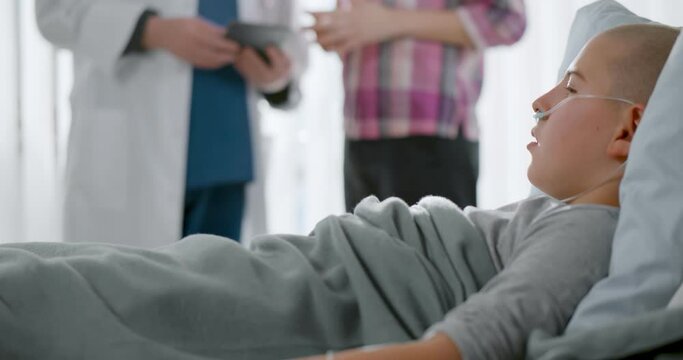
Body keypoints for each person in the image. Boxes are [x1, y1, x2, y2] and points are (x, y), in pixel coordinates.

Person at [0, 23, 678, 360]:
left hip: (342, 281)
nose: (538, 100)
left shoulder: (589, 228)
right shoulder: (570, 214)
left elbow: (464, 343)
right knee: (121, 278)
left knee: (112, 294)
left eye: (569, 88)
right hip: (340, 256)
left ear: (628, 131)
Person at [34, 0, 307, 247]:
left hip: (229, 159)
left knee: (222, 295)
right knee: (133, 293)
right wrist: (151, 31)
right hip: (134, 151)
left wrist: (276, 77)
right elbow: (54, 11)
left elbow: (290, 39)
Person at [310, 0, 526, 211]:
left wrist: (390, 22)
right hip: (360, 130)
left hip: (434, 134)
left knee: (435, 246)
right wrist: (340, 29)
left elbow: (508, 20)